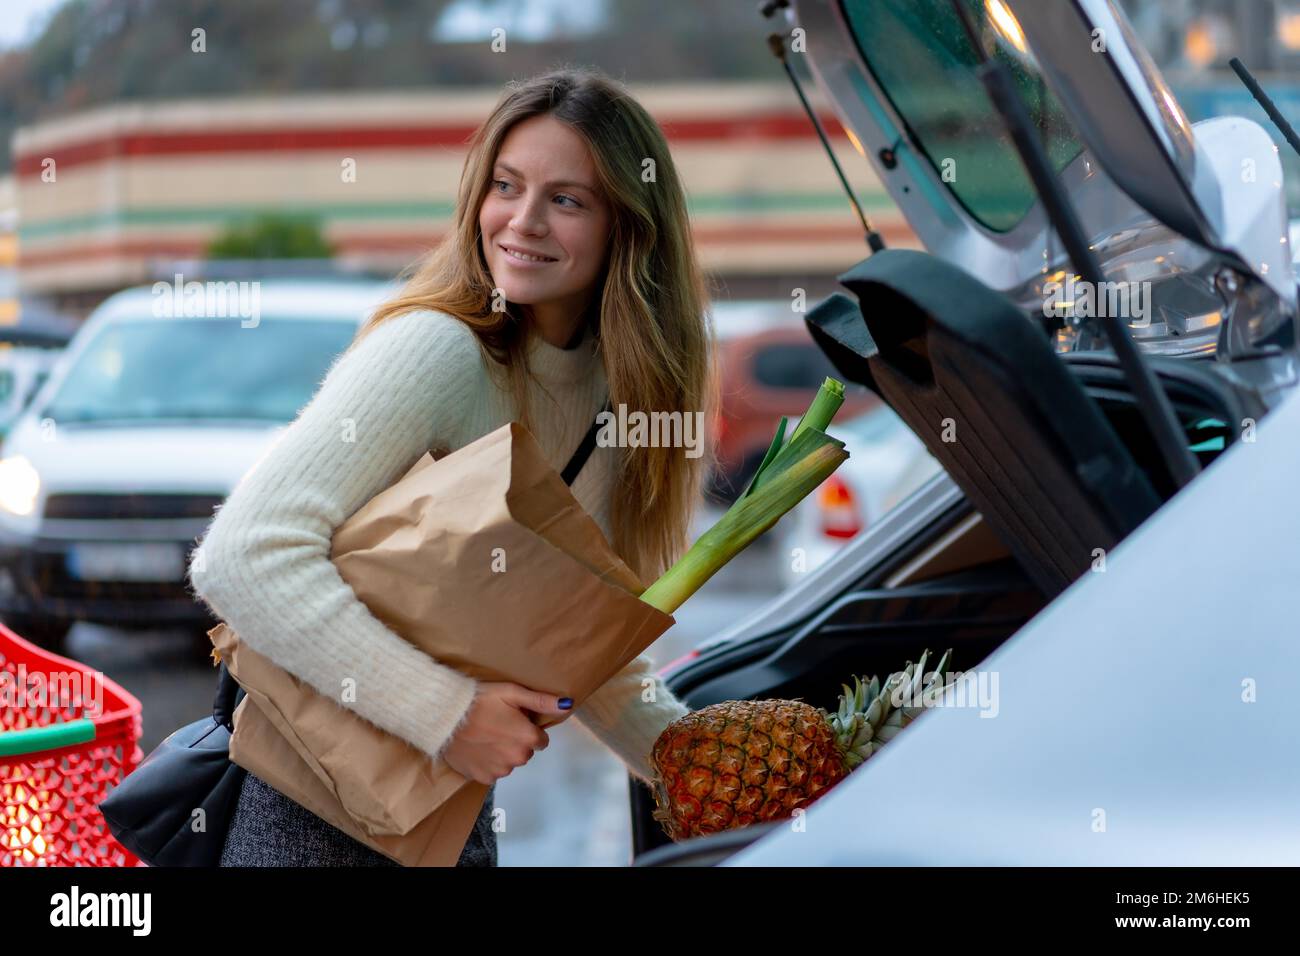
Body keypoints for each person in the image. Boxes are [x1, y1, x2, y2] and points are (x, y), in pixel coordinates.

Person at [189, 66, 719, 866]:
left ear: (629, 226)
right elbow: (243, 556)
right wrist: (451, 715)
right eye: (506, 186)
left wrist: (703, 776)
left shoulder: (620, 396)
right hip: (318, 809)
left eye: (567, 200)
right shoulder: (439, 351)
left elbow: (580, 644)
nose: (523, 221)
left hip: (448, 812)